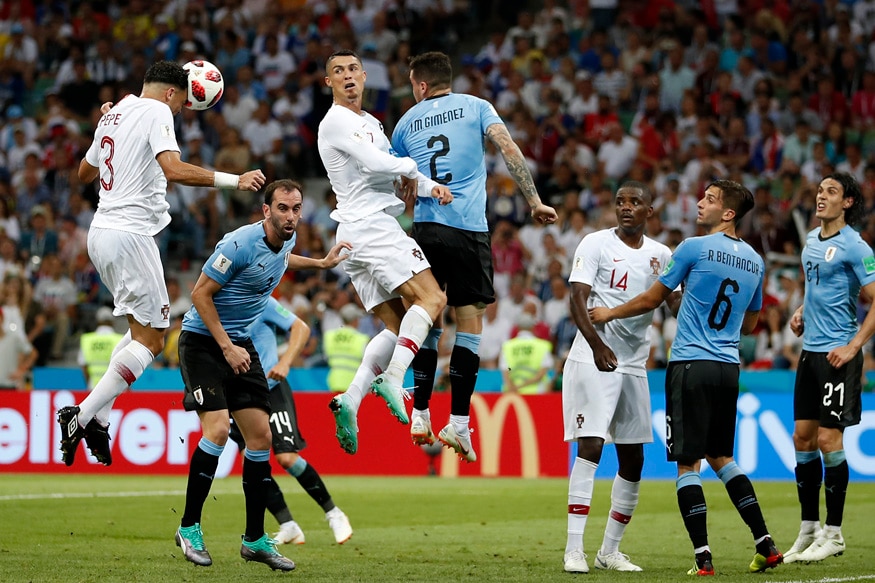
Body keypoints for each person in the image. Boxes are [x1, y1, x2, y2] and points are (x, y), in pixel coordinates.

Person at [56, 60, 266, 467]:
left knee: (142, 330)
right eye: (183, 104)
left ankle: (99, 416)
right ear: (172, 93)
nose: (180, 111)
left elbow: (84, 174)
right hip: (130, 232)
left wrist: (104, 129)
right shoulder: (156, 111)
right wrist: (233, 179)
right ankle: (80, 416)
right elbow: (173, 170)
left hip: (100, 231)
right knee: (153, 340)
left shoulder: (115, 112)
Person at [590, 179, 783, 576]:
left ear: (727, 214)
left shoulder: (693, 248)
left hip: (690, 364)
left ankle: (703, 559)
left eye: (710, 200)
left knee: (687, 464)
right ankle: (765, 543)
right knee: (723, 458)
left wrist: (609, 313)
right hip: (728, 367)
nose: (700, 203)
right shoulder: (756, 261)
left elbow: (653, 298)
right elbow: (751, 323)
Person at [390, 51, 557, 462]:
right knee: (469, 323)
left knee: (429, 314)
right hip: (467, 228)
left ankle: (422, 413)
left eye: (413, 85)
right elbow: (508, 148)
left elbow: (399, 185)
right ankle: (460, 422)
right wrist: (533, 201)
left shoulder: (405, 124)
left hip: (425, 228)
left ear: (422, 85)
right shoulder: (477, 106)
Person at [174, 179, 350, 571]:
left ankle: (255, 539)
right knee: (218, 430)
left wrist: (320, 263)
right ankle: (189, 528)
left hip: (239, 345)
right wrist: (226, 347)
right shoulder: (238, 244)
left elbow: (286, 259)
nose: (291, 216)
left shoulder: (285, 240)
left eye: (296, 208)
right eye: (283, 208)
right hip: (204, 343)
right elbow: (200, 294)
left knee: (261, 437)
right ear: (266, 210)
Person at [317, 49, 452, 455]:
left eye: (353, 69)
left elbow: (397, 172)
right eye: (338, 72)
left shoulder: (371, 122)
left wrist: (429, 188)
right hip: (373, 227)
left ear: (363, 75)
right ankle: (393, 378)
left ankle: (351, 399)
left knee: (400, 330)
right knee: (433, 299)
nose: (348, 76)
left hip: (356, 236)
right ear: (330, 83)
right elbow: (379, 165)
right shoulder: (336, 121)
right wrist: (412, 170)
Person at [562, 181, 680, 573]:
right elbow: (577, 296)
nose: (626, 207)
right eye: (620, 202)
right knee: (592, 447)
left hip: (633, 362)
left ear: (650, 210)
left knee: (633, 459)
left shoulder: (662, 254)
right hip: (592, 356)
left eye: (635, 202)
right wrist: (596, 344)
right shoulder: (595, 243)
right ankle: (574, 549)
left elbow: (675, 302)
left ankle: (609, 551)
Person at [783, 173, 875, 563]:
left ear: (848, 202)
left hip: (838, 355)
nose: (822, 196)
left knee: (827, 440)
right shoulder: (809, 242)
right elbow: (818, 287)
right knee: (802, 438)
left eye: (831, 192)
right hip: (810, 353)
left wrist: (854, 346)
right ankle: (809, 529)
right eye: (820, 190)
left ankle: (834, 534)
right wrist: (802, 310)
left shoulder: (856, 246)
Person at [228, 295, 353, 546]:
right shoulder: (218, 307)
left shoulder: (260, 301)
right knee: (251, 462)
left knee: (286, 457)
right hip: (238, 394)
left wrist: (285, 362)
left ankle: (333, 513)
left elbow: (300, 327)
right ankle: (288, 525)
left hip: (271, 388)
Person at [323, 302, 369, 393]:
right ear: (355, 320)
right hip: (355, 383)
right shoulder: (362, 339)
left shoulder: (329, 336)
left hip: (334, 382)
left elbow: (326, 357)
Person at [78, 306, 124, 389]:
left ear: (98, 321)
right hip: (115, 388)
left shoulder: (87, 340)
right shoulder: (119, 339)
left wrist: (89, 384)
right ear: (113, 322)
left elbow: (84, 366)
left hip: (93, 387)